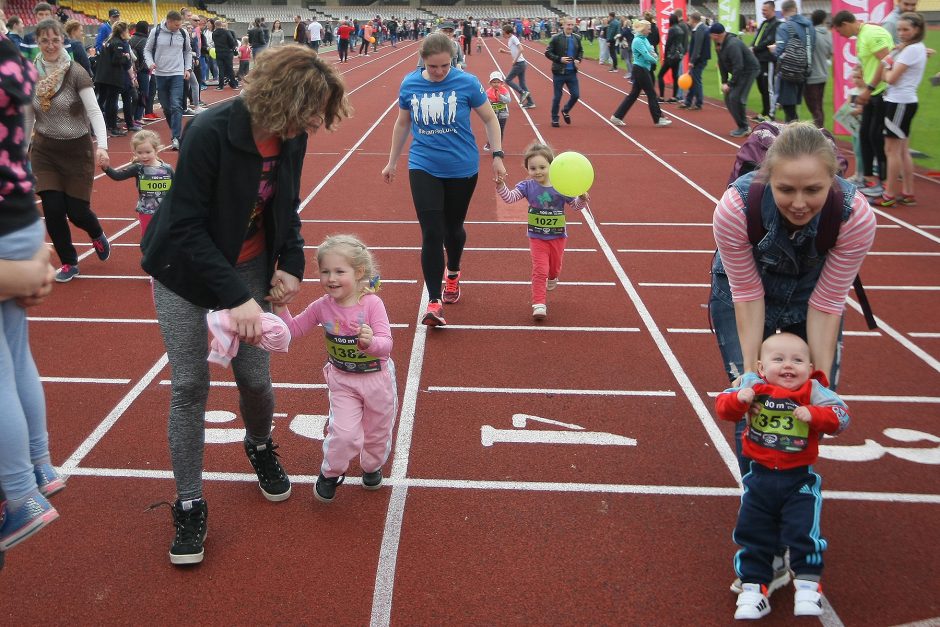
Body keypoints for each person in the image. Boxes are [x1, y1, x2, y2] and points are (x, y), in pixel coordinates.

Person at [140, 45, 351, 565]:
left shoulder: (292, 136)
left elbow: (288, 205)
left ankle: (258, 445)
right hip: (184, 272)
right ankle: (189, 502)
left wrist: (291, 263)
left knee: (255, 378)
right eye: (310, 109)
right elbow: (186, 224)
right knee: (190, 384)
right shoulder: (210, 131)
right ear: (283, 97)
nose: (314, 122)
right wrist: (238, 299)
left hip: (251, 266)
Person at [710, 123, 876, 597]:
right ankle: (762, 523)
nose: (799, 202)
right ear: (767, 179)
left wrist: (817, 383)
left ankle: (794, 505)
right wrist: (751, 375)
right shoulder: (735, 209)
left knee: (803, 399)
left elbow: (826, 305)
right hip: (742, 291)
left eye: (813, 190)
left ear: (834, 180)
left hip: (812, 292)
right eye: (785, 189)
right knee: (755, 400)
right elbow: (747, 296)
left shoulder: (856, 217)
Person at [716, 332, 850, 619]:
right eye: (779, 359)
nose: (789, 366)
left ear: (810, 368)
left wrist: (815, 415)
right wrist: (741, 398)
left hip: (799, 481)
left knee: (804, 533)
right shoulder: (753, 384)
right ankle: (754, 588)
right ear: (762, 368)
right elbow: (723, 408)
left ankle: (808, 585)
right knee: (752, 533)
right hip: (760, 479)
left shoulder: (813, 390)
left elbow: (841, 417)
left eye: (798, 360)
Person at [382, 33, 506, 327]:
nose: (439, 72)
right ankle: (434, 301)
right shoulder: (410, 83)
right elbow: (402, 123)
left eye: (444, 66)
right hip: (423, 165)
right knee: (432, 233)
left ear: (453, 61)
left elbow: (490, 118)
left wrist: (498, 154)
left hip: (462, 167)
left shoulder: (467, 82)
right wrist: (392, 161)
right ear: (423, 60)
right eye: (433, 66)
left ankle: (453, 272)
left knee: (453, 230)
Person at [273, 235, 397, 503]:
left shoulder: (372, 304)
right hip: (342, 381)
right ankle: (330, 473)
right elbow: (292, 331)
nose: (331, 278)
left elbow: (386, 345)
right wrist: (280, 307)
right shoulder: (321, 307)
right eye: (325, 271)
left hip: (377, 381)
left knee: (377, 432)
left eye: (340, 271)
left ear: (359, 272)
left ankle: (372, 466)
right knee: (343, 432)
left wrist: (369, 342)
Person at [0, 28, 63, 555]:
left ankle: (21, 493)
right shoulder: (10, 54)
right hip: (19, 217)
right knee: (15, 357)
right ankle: (40, 466)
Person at [24, 19, 111, 283]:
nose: (50, 45)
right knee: (52, 208)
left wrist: (103, 147)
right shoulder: (30, 74)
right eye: (44, 40)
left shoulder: (76, 72)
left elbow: (95, 111)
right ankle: (69, 262)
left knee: (77, 212)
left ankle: (95, 232)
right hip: (45, 150)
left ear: (63, 41)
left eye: (55, 40)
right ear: (37, 42)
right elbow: (28, 116)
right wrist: (19, 151)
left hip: (76, 150)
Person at [495, 142, 588, 320]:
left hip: (558, 237)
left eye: (542, 167)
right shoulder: (527, 186)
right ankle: (539, 304)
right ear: (527, 169)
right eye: (533, 168)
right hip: (537, 237)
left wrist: (582, 198)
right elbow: (510, 198)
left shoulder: (561, 186)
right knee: (540, 270)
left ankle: (553, 277)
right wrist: (501, 186)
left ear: (551, 166)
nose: (538, 171)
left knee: (553, 270)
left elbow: (576, 207)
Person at [832, 11, 893, 199]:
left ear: (844, 23)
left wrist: (870, 87)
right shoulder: (862, 36)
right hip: (872, 92)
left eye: (839, 30)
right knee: (866, 135)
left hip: (882, 92)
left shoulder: (872, 33)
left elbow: (887, 61)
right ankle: (866, 179)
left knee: (877, 138)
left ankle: (883, 183)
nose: (840, 35)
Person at [876, 11, 927, 208]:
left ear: (917, 30)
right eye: (899, 29)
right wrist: (892, 56)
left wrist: (887, 63)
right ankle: (908, 192)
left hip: (899, 102)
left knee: (892, 150)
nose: (902, 33)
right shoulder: (914, 48)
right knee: (903, 149)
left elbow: (889, 78)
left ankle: (889, 193)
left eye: (906, 29)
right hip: (904, 101)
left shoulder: (911, 50)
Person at [101, 130, 174, 236]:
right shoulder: (138, 169)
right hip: (146, 212)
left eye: (148, 152)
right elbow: (118, 176)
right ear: (134, 152)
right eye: (140, 153)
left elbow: (178, 187)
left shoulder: (167, 169)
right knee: (148, 239)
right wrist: (106, 168)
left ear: (156, 150)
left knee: (166, 238)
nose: (144, 156)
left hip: (165, 212)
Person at [610, 20, 672, 128]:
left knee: (633, 95)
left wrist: (653, 56)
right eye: (648, 28)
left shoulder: (645, 40)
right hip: (640, 69)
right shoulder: (638, 41)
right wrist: (654, 59)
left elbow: (652, 52)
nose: (650, 30)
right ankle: (658, 119)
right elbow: (648, 55)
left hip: (643, 69)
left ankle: (617, 116)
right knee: (651, 93)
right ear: (643, 29)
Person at [145, 10, 193, 151]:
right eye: (177, 25)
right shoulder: (156, 31)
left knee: (176, 105)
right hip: (160, 74)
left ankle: (176, 137)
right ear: (169, 21)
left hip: (177, 73)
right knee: (166, 107)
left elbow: (188, 51)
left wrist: (187, 68)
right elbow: (147, 50)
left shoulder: (183, 33)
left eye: (180, 25)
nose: (179, 27)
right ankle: (175, 130)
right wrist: (150, 63)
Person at [711, 22, 760, 137]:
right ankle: (742, 125)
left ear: (716, 35)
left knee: (736, 97)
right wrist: (724, 82)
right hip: (740, 71)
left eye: (711, 34)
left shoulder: (732, 44)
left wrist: (730, 84)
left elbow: (739, 66)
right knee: (728, 98)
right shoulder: (718, 44)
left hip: (749, 70)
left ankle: (744, 127)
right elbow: (721, 63)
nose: (710, 37)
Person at [771, 0, 815, 123]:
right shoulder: (809, 26)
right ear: (795, 9)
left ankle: (793, 136)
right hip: (804, 70)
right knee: (793, 105)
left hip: (788, 70)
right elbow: (812, 46)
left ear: (783, 11)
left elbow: (779, 51)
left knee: (788, 108)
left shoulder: (784, 27)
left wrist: (773, 50)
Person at [95, 21, 133, 137]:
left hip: (102, 76)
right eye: (126, 30)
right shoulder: (118, 43)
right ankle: (112, 126)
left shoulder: (108, 41)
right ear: (122, 31)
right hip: (112, 77)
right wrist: (126, 57)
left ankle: (107, 125)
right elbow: (116, 60)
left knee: (104, 101)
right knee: (112, 101)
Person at [545, 18, 583, 128]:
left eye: (572, 25)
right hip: (559, 72)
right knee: (557, 97)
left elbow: (580, 51)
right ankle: (554, 118)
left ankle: (565, 110)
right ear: (563, 25)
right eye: (568, 25)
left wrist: (578, 59)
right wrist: (559, 59)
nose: (570, 27)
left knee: (576, 95)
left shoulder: (577, 38)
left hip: (572, 73)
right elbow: (547, 52)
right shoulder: (556, 38)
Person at [751, 1, 779, 122]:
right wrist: (751, 47)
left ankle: (771, 114)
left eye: (765, 10)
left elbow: (769, 40)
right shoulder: (764, 23)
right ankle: (764, 112)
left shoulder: (776, 24)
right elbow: (757, 39)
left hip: (768, 60)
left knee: (768, 88)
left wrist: (754, 48)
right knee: (762, 87)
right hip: (759, 59)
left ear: (772, 10)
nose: (763, 12)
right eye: (762, 10)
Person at [804, 10, 832, 129]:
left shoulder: (810, 34)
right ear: (823, 20)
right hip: (823, 74)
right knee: (818, 106)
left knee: (814, 108)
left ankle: (820, 132)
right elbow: (829, 54)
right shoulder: (828, 34)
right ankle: (820, 130)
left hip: (812, 76)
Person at [498, 23, 535, 108]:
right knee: (522, 83)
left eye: (504, 33)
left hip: (519, 64)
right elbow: (514, 52)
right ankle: (531, 102)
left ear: (509, 33)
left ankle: (522, 93)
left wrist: (515, 60)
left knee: (507, 80)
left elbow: (521, 49)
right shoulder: (510, 39)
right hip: (521, 63)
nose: (502, 35)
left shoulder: (514, 38)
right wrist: (504, 52)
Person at [679, 12, 710, 110]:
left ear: (693, 19)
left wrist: (692, 61)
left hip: (698, 60)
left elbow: (697, 47)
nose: (688, 21)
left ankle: (698, 103)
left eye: (689, 19)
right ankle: (688, 101)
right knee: (693, 80)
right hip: (699, 59)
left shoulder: (700, 29)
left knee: (696, 81)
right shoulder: (701, 28)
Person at [658, 14, 687, 103]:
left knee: (660, 75)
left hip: (671, 56)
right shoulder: (680, 29)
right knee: (675, 76)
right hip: (678, 56)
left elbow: (668, 43)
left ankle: (662, 97)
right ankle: (674, 97)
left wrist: (665, 56)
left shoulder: (672, 29)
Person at [484, 71, 510, 152]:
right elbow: (485, 102)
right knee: (491, 130)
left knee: (500, 131)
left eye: (498, 82)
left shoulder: (504, 91)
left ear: (501, 83)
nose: (496, 84)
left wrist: (500, 96)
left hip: (503, 114)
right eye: (494, 82)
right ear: (490, 83)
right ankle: (489, 142)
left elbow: (508, 100)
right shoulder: (488, 92)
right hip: (492, 115)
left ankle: (498, 148)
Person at [212, 18, 238, 92]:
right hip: (227, 52)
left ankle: (220, 86)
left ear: (215, 25)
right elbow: (231, 41)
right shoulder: (226, 32)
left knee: (221, 69)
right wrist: (231, 48)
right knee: (230, 68)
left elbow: (214, 41)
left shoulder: (214, 33)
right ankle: (234, 84)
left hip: (218, 52)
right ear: (221, 25)